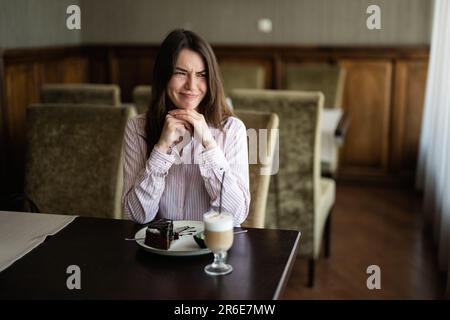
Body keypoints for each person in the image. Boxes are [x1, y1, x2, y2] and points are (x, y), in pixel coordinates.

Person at [122, 29, 250, 225]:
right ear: (163, 76)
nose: (191, 85)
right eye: (180, 73)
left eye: (201, 75)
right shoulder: (137, 128)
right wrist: (161, 149)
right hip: (159, 249)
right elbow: (138, 215)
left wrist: (208, 144)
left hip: (212, 248)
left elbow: (234, 216)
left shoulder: (233, 130)